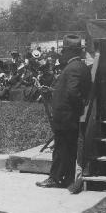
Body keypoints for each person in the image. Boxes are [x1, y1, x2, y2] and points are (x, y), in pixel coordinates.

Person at [37, 34, 92, 190]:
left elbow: (73, 92)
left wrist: (75, 108)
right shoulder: (79, 66)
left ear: (69, 51)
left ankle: (55, 178)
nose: (62, 54)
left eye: (64, 51)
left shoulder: (73, 67)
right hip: (69, 116)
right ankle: (65, 178)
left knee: (61, 149)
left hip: (66, 116)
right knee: (67, 148)